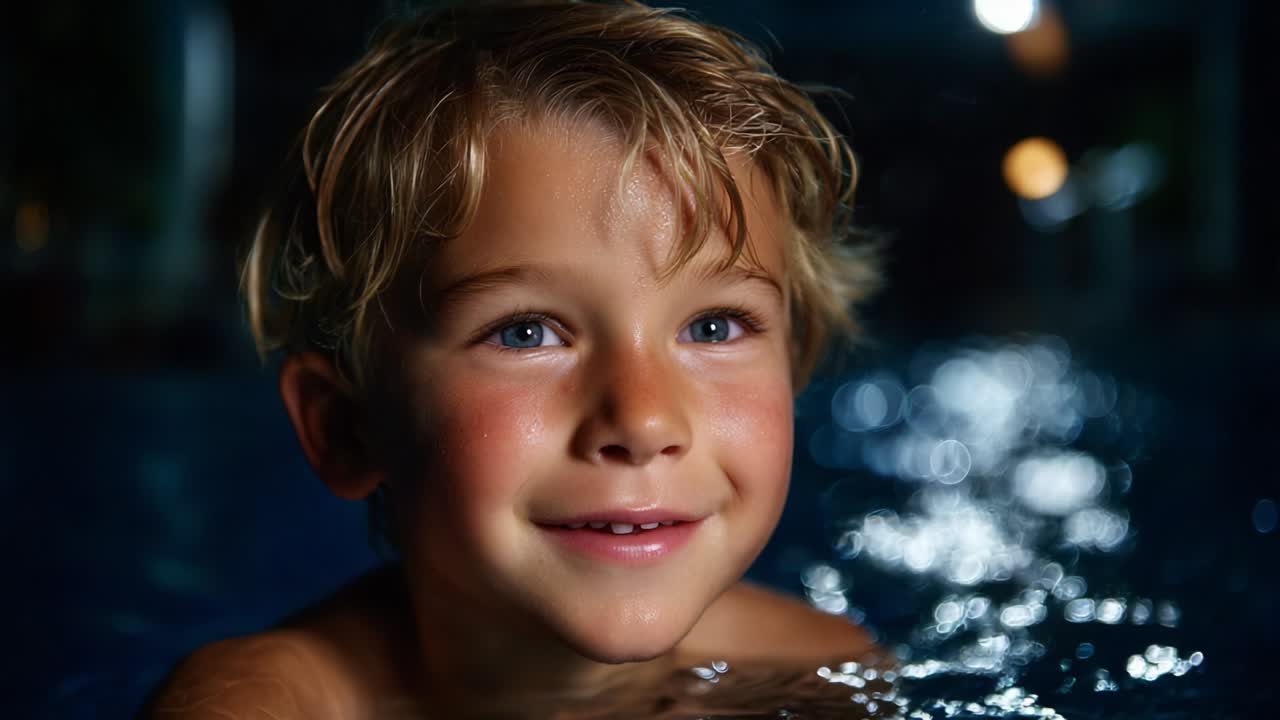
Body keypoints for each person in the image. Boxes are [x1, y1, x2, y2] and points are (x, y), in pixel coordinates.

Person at [142, 1, 881, 716]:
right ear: (347, 427)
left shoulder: (819, 674)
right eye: (526, 332)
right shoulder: (258, 705)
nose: (644, 418)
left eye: (715, 327)